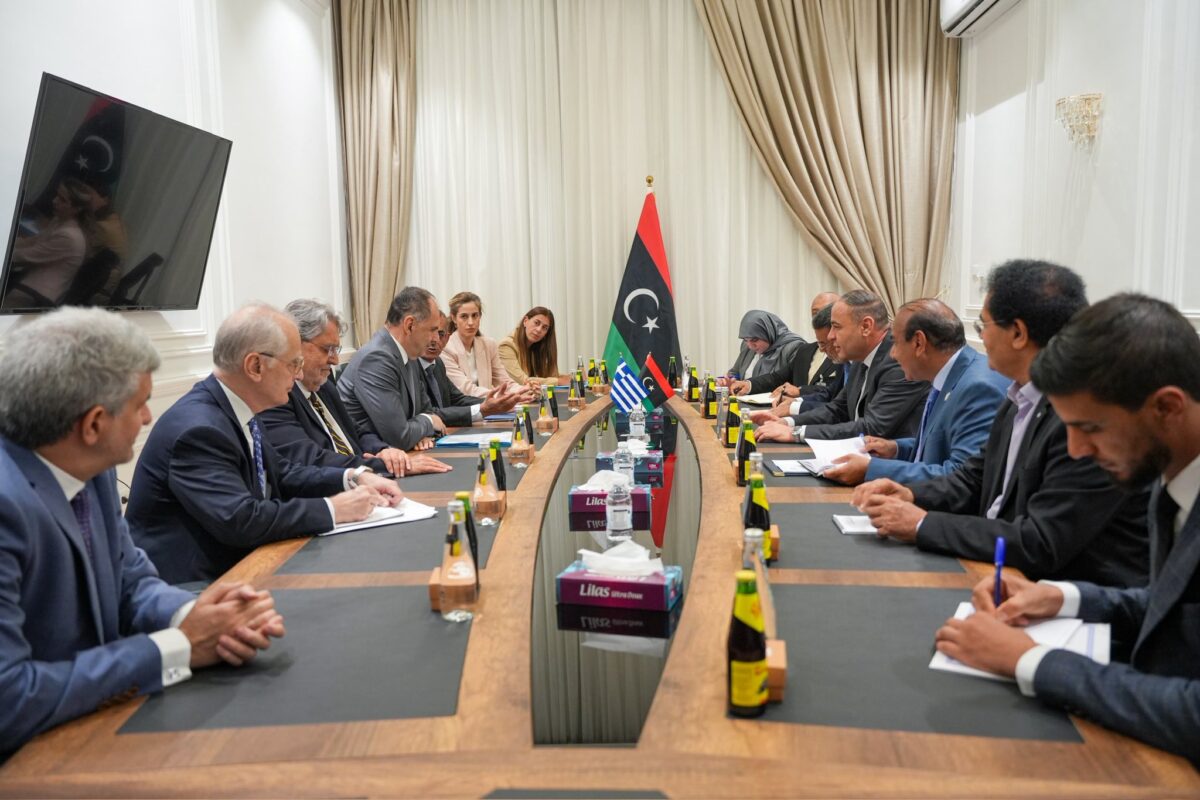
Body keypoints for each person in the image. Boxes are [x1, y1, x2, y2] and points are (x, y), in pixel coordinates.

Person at [0, 308, 285, 753]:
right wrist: (178, 647)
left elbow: (130, 580)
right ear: (94, 424)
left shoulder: (91, 467)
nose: (149, 418)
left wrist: (195, 616)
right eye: (140, 405)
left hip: (94, 721)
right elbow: (10, 698)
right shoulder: (7, 505)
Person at [935, 293, 1200, 766]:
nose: (1075, 449)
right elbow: (1173, 609)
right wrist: (1061, 597)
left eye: (1090, 428)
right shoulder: (1169, 474)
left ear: (1166, 407)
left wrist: (1029, 659)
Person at [852, 260, 1149, 588]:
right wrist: (910, 493)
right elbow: (973, 478)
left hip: (1053, 593)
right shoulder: (1018, 395)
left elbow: (1040, 542)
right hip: (993, 567)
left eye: (983, 325)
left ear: (1018, 334)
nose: (980, 338)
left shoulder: (1080, 419)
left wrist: (923, 524)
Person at [127, 303, 402, 584]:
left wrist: (353, 477)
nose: (298, 375)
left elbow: (282, 473)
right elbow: (240, 519)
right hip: (196, 586)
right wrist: (334, 509)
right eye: (293, 364)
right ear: (255, 366)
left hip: (245, 563)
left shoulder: (236, 406)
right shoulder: (199, 430)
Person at [821, 299, 1009, 485]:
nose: (892, 354)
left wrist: (872, 469)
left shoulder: (977, 389)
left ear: (919, 343)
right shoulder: (949, 376)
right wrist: (896, 448)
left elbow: (962, 476)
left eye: (895, 343)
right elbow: (940, 445)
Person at [257, 299, 452, 476]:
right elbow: (312, 459)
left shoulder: (324, 386)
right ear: (296, 345)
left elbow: (357, 431)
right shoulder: (277, 397)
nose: (335, 360)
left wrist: (384, 451)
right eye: (327, 349)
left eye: (336, 349)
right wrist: (384, 465)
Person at [754, 290, 928, 443]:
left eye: (836, 327)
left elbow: (872, 427)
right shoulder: (860, 357)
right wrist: (787, 422)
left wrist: (795, 433)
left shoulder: (898, 360)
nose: (830, 336)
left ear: (866, 327)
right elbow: (838, 409)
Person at [338, 287, 449, 450]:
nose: (436, 339)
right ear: (409, 325)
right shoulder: (376, 359)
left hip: (402, 453)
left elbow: (426, 410)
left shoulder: (410, 353)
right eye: (432, 330)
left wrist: (420, 432)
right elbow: (400, 437)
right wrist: (429, 422)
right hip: (370, 456)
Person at [419, 309, 527, 426]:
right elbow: (429, 413)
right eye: (428, 333)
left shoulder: (437, 363)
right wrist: (482, 409)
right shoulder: (411, 366)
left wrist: (497, 403)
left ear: (447, 338)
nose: (434, 340)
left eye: (440, 334)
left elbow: (458, 399)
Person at [730, 300, 844, 411]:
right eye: (815, 312)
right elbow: (777, 378)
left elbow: (834, 393)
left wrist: (800, 391)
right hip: (793, 413)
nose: (822, 349)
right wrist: (749, 385)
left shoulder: (844, 358)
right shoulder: (805, 350)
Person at [2, 177, 92, 307]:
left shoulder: (69, 237)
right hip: (28, 279)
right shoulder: (59, 221)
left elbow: (29, 255)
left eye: (62, 200)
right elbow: (33, 241)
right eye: (57, 195)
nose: (54, 201)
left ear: (76, 209)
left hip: (36, 294)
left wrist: (4, 252)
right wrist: (6, 243)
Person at [441, 291, 523, 396]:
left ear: (480, 316)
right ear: (454, 318)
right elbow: (465, 390)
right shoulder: (446, 348)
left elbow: (505, 382)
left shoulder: (489, 344)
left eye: (475, 315)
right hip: (466, 405)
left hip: (489, 403)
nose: (471, 322)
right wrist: (498, 396)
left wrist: (525, 390)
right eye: (464, 316)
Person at [725, 310, 807, 383]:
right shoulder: (747, 346)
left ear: (768, 333)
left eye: (755, 339)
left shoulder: (794, 347)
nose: (750, 346)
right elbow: (735, 372)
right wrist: (730, 381)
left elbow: (796, 384)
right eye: (745, 340)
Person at [498, 306, 571, 386]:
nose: (539, 330)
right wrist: (559, 381)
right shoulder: (506, 345)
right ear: (525, 321)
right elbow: (522, 381)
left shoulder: (535, 347)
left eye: (544, 328)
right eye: (536, 323)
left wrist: (572, 377)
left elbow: (549, 375)